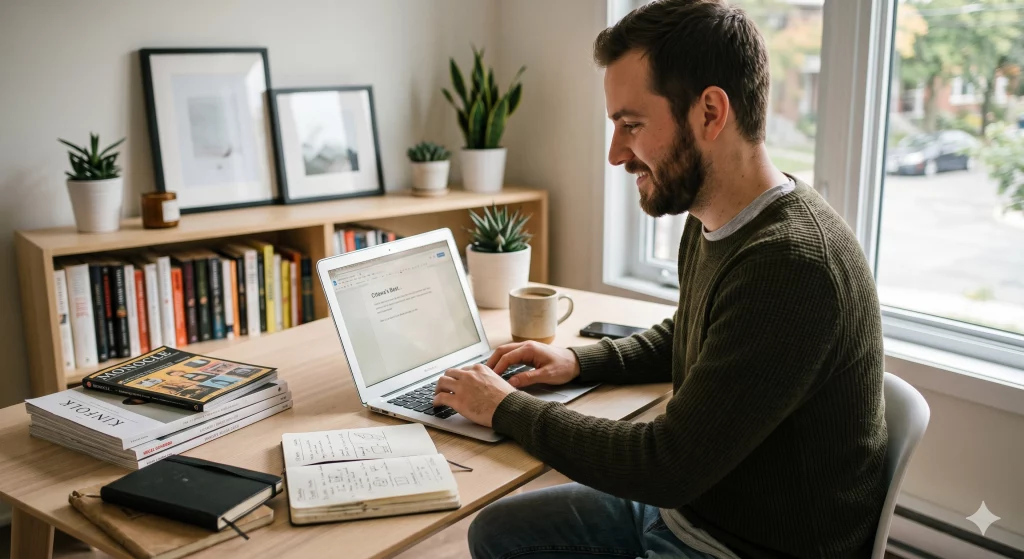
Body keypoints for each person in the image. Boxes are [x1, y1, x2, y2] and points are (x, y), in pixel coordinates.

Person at [432, 1, 888, 557]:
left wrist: (505, 408)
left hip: (741, 545)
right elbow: (691, 331)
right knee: (497, 530)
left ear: (710, 113)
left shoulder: (792, 265)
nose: (616, 153)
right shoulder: (719, 216)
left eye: (631, 124)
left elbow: (666, 465)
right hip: (693, 508)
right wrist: (578, 363)